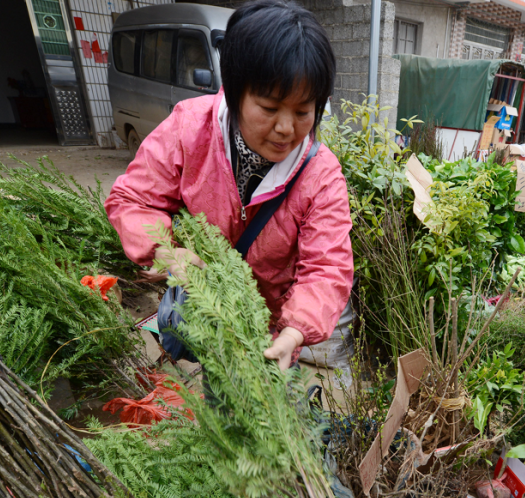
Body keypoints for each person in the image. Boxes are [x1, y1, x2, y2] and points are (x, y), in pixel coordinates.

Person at [105, 0, 353, 370]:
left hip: (267, 330)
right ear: (235, 92)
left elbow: (327, 267)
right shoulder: (190, 129)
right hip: (203, 303)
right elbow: (131, 199)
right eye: (269, 108)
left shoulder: (321, 174)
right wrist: (167, 253)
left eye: (303, 112)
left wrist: (293, 332)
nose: (287, 128)